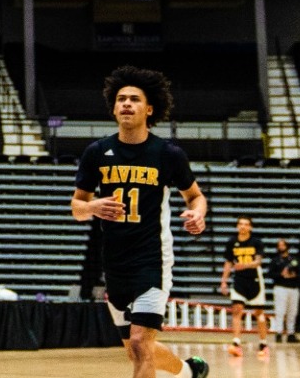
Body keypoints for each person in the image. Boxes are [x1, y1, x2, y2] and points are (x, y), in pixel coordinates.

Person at [71, 65, 210, 378]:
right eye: (121, 99)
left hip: (152, 259)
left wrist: (197, 213)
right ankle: (188, 373)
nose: (126, 104)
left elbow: (195, 196)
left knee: (140, 342)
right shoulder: (97, 152)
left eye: (134, 99)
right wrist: (92, 206)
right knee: (133, 349)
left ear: (149, 108)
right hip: (115, 263)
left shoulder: (168, 153)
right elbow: (77, 207)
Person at [221, 217, 269, 358]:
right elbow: (228, 263)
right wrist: (223, 281)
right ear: (237, 226)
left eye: (246, 224)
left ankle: (263, 343)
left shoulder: (256, 242)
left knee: (258, 313)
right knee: (237, 310)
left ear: (250, 228)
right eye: (240, 224)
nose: (243, 226)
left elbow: (258, 262)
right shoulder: (232, 242)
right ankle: (236, 343)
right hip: (239, 280)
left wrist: (244, 265)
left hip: (255, 279)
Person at [268, 239, 300, 344]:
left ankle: (291, 333)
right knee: (280, 311)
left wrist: (294, 275)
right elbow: (270, 274)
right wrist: (281, 274)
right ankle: (278, 332)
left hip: (293, 288)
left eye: (283, 245)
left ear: (287, 246)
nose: (281, 247)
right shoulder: (275, 260)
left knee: (292, 311)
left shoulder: (294, 260)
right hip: (280, 287)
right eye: (279, 245)